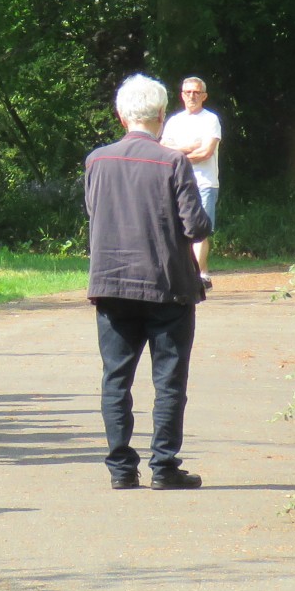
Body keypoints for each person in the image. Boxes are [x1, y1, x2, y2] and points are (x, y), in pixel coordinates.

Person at [86, 74, 211, 490]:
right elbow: (196, 226)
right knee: (169, 379)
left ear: (121, 115)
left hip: (111, 284)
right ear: (161, 116)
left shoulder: (97, 160)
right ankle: (163, 465)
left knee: (115, 378)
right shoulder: (172, 161)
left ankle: (121, 469)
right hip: (166, 284)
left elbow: (94, 212)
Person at [161, 76, 222, 290]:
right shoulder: (174, 121)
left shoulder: (211, 120)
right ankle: (184, 273)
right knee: (177, 228)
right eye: (188, 92)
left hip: (204, 182)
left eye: (196, 92)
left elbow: (206, 152)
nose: (192, 96)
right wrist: (189, 147)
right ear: (182, 95)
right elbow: (164, 150)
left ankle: (201, 274)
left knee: (200, 230)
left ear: (204, 96)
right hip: (178, 181)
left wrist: (179, 152)